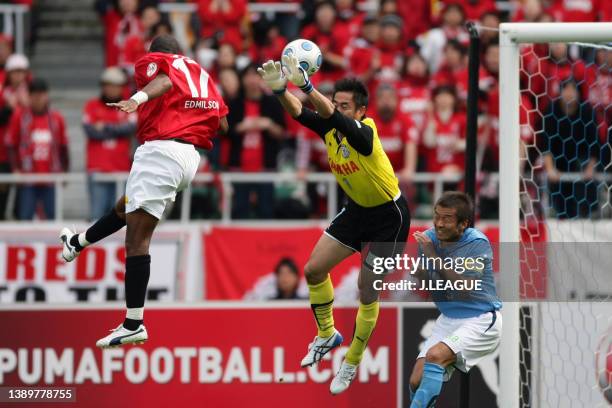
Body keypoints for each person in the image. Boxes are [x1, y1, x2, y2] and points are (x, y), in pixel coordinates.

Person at [59, 35, 229, 347]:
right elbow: (224, 123)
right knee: (127, 208)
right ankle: (78, 242)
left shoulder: (160, 63)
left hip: (162, 151)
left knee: (137, 240)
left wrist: (137, 99)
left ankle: (133, 322)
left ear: (157, 54)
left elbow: (163, 80)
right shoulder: (201, 74)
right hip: (190, 158)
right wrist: (190, 116)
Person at [257, 56, 410, 394]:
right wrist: (280, 89)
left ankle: (352, 361)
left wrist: (309, 87)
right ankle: (327, 334)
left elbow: (326, 112)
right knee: (313, 270)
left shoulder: (366, 132)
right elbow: (298, 112)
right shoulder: (329, 126)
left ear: (359, 111)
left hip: (390, 218)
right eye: (335, 102)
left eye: (343, 106)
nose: (335, 109)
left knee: (365, 289)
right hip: (356, 211)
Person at [409, 191, 502, 407]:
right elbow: (426, 283)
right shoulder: (429, 239)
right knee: (416, 380)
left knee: (435, 355)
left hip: (480, 320)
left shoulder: (477, 243)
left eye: (447, 219)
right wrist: (420, 273)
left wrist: (432, 256)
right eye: (436, 216)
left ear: (463, 224)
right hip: (448, 319)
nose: (439, 224)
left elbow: (464, 287)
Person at [6, 79, 68, 220]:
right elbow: (10, 144)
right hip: (28, 177)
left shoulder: (56, 118)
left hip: (51, 177)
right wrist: (15, 168)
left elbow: (64, 146)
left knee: (52, 217)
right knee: (25, 217)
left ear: (46, 95)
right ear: (29, 96)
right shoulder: (20, 117)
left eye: (41, 94)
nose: (38, 98)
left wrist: (65, 170)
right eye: (34, 94)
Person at [83, 67, 137, 220]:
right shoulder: (91, 105)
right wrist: (117, 129)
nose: (112, 89)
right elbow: (90, 131)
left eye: (116, 85)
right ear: (103, 86)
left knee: (121, 219)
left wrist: (104, 126)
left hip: (121, 171)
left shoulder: (128, 106)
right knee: (97, 218)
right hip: (98, 170)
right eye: (109, 84)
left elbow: (130, 128)